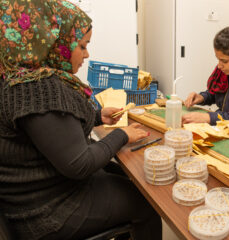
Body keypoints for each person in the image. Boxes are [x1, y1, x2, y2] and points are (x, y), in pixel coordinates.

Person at [0, 1, 162, 240]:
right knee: (146, 203)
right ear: (55, 44)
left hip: (41, 192)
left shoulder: (21, 77)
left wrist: (97, 117)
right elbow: (80, 164)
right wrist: (123, 135)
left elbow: (53, 129)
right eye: (82, 46)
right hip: (46, 211)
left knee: (124, 178)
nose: (86, 54)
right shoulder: (37, 88)